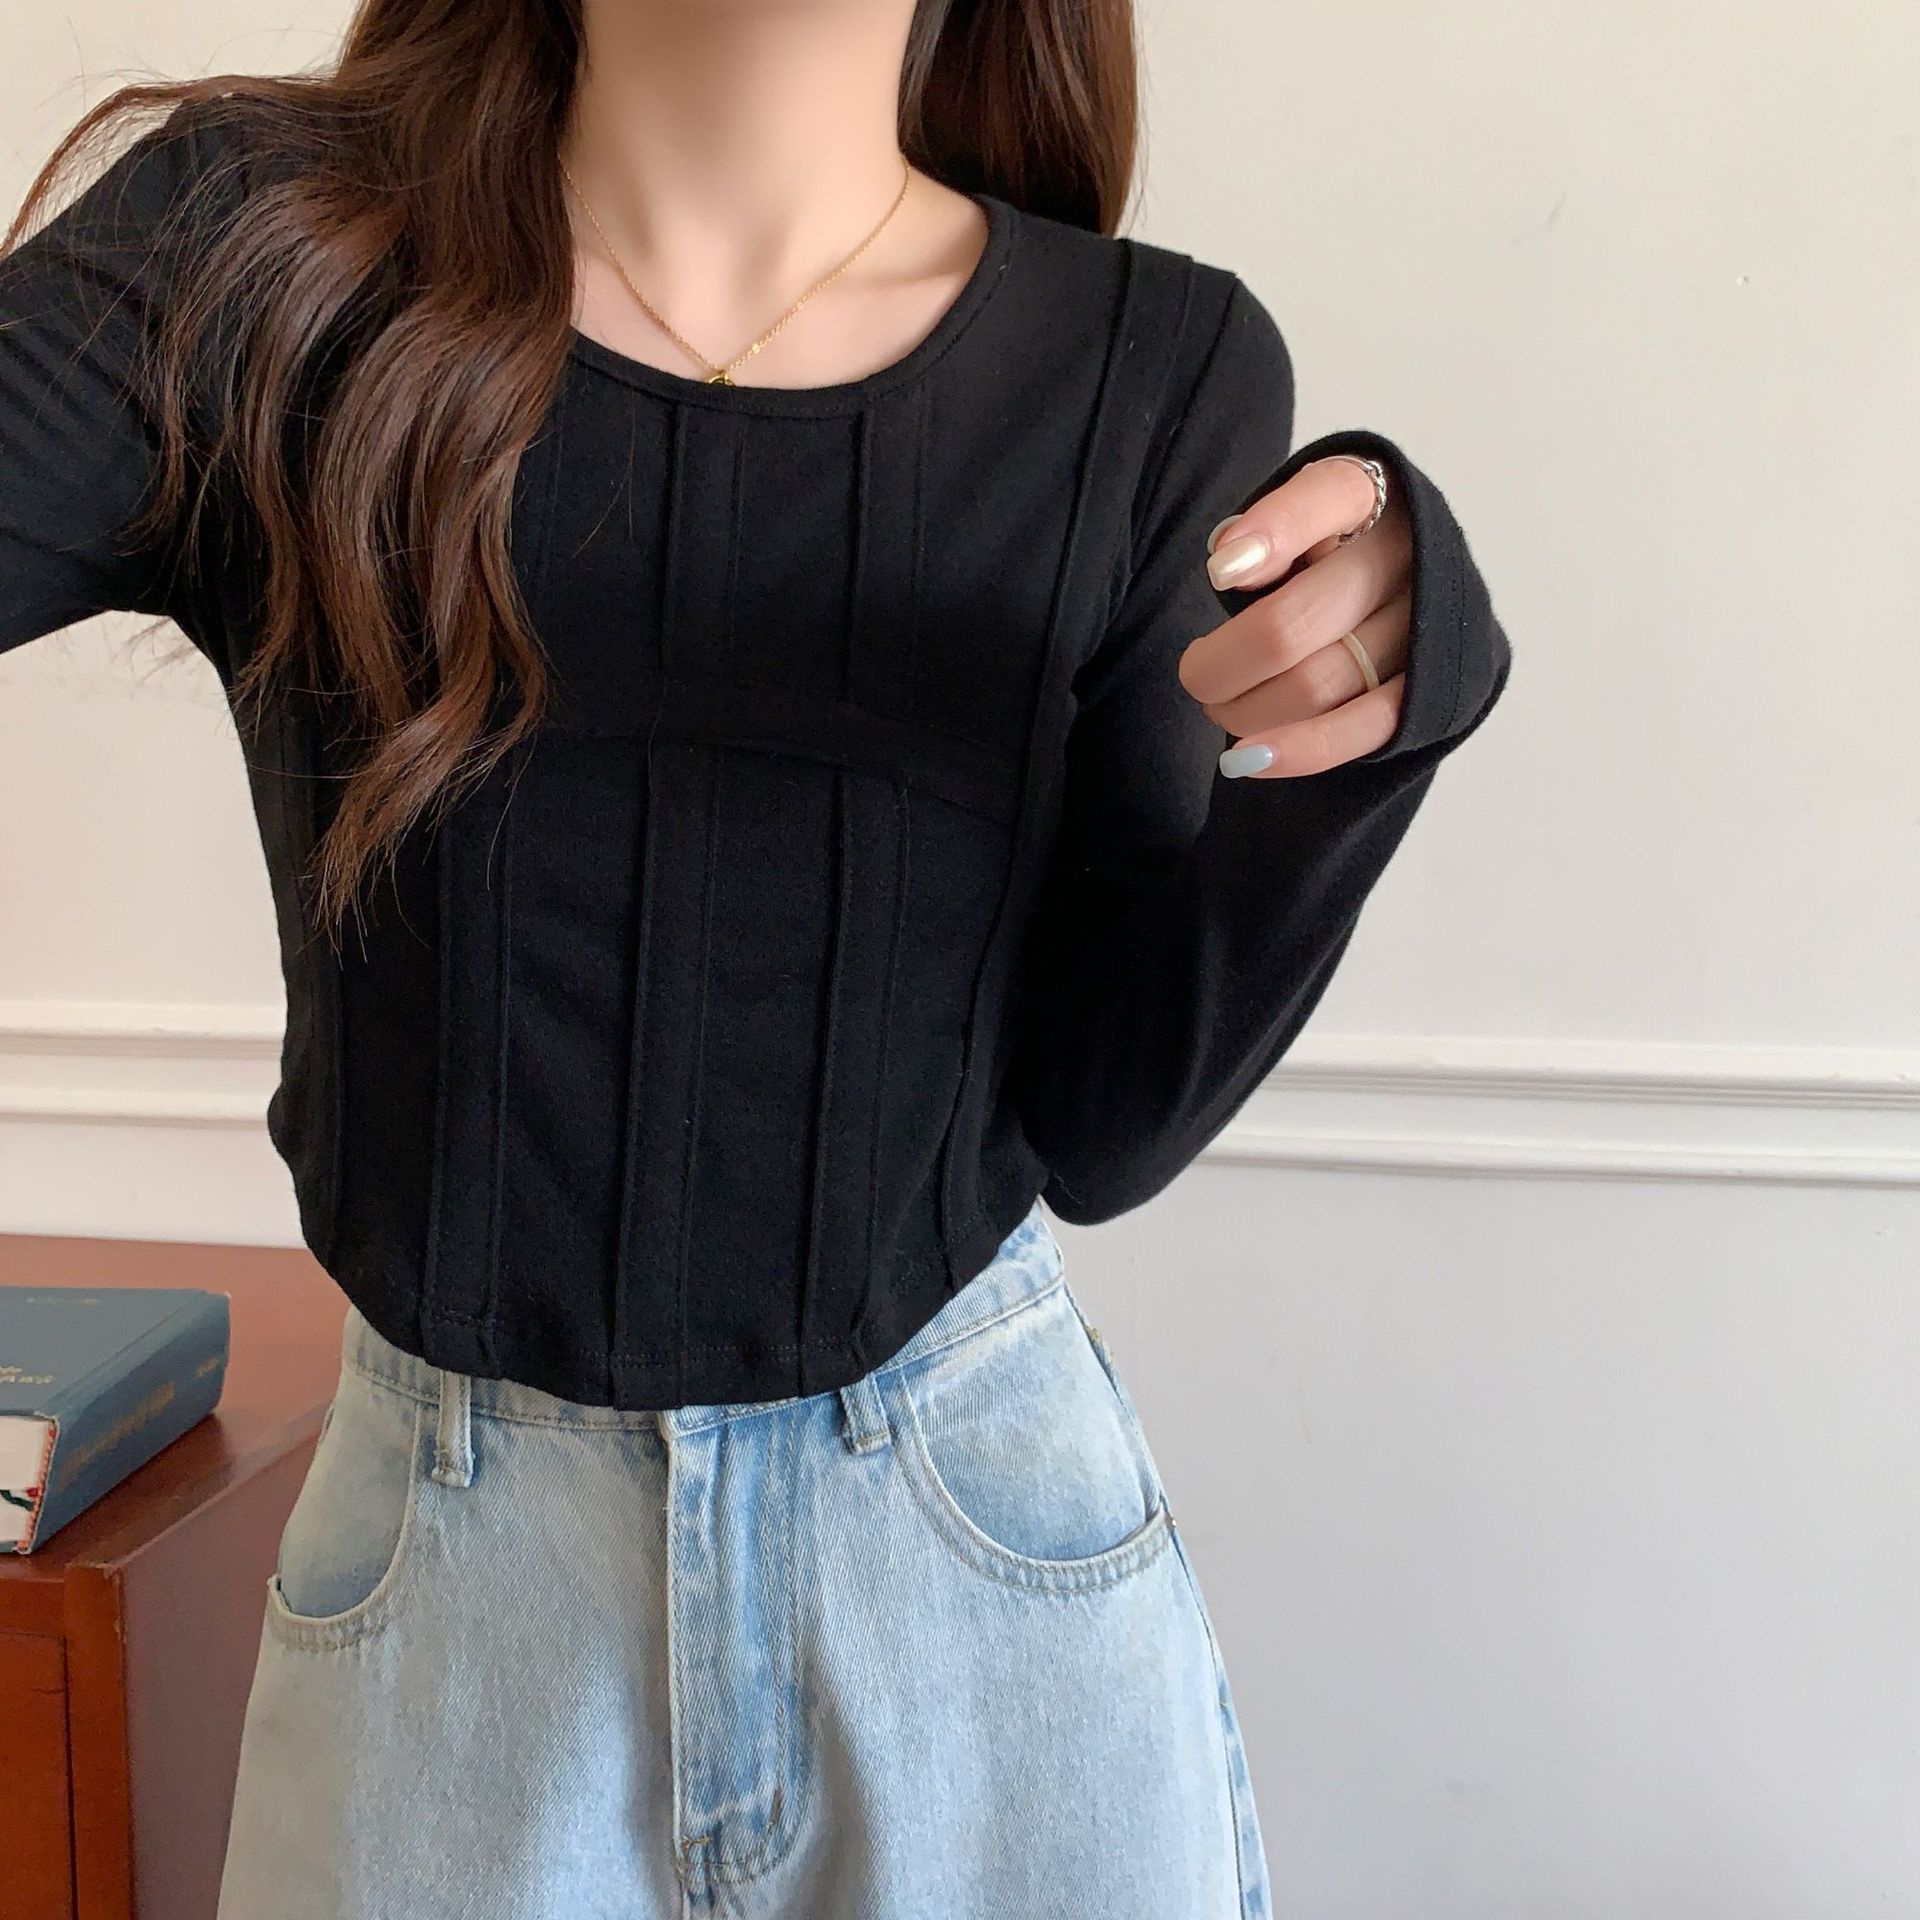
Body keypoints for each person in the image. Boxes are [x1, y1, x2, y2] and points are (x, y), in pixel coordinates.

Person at [0, 0, 1511, 1913]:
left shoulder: (1153, 363)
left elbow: (1106, 1117)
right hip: (454, 1619)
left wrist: (1370, 735)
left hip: (979, 1589)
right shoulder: (268, 261)